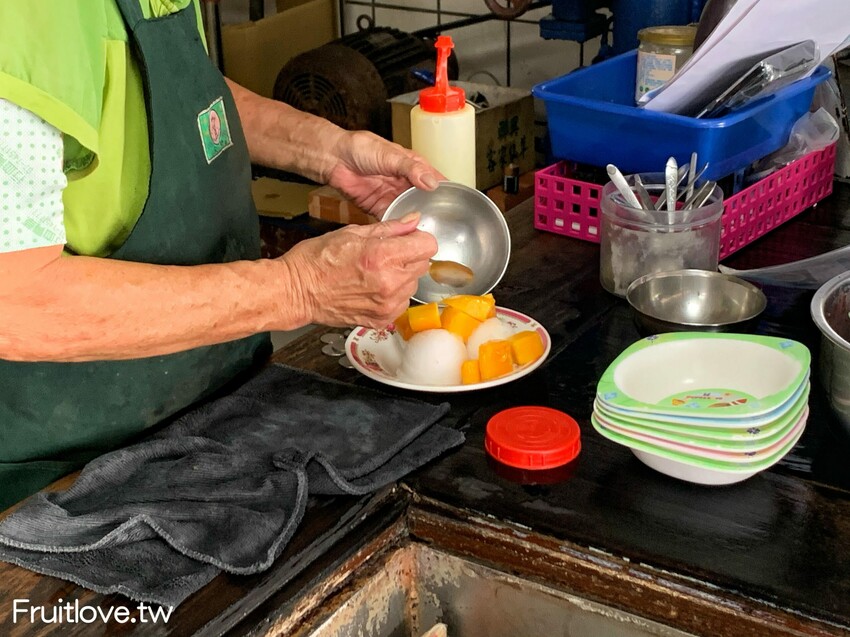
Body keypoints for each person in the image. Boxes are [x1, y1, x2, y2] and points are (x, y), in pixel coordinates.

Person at [0, 1, 442, 509]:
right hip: (64, 476)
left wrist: (326, 150)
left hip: (210, 413)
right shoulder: (28, 18)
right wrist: (298, 289)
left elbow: (179, 99)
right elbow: (14, 301)